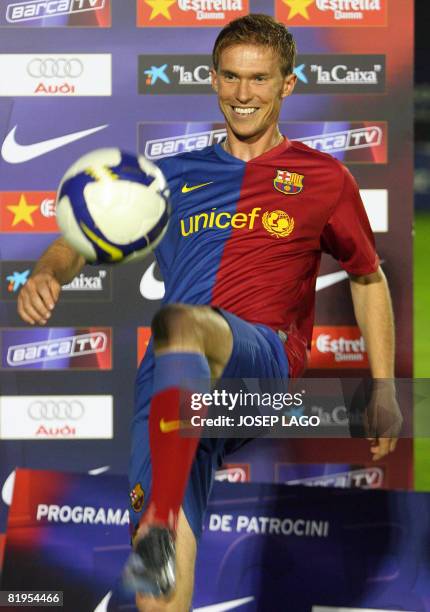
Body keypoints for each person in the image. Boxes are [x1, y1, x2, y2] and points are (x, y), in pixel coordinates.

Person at [17, 14, 400, 612]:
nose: (243, 95)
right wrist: (47, 270)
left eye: (259, 80)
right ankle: (162, 527)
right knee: (158, 594)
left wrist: (382, 386)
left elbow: (367, 276)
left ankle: (162, 513)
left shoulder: (325, 177)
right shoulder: (169, 176)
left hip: (261, 368)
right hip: (172, 386)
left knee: (180, 322)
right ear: (214, 80)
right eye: (230, 77)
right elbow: (81, 236)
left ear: (287, 85)